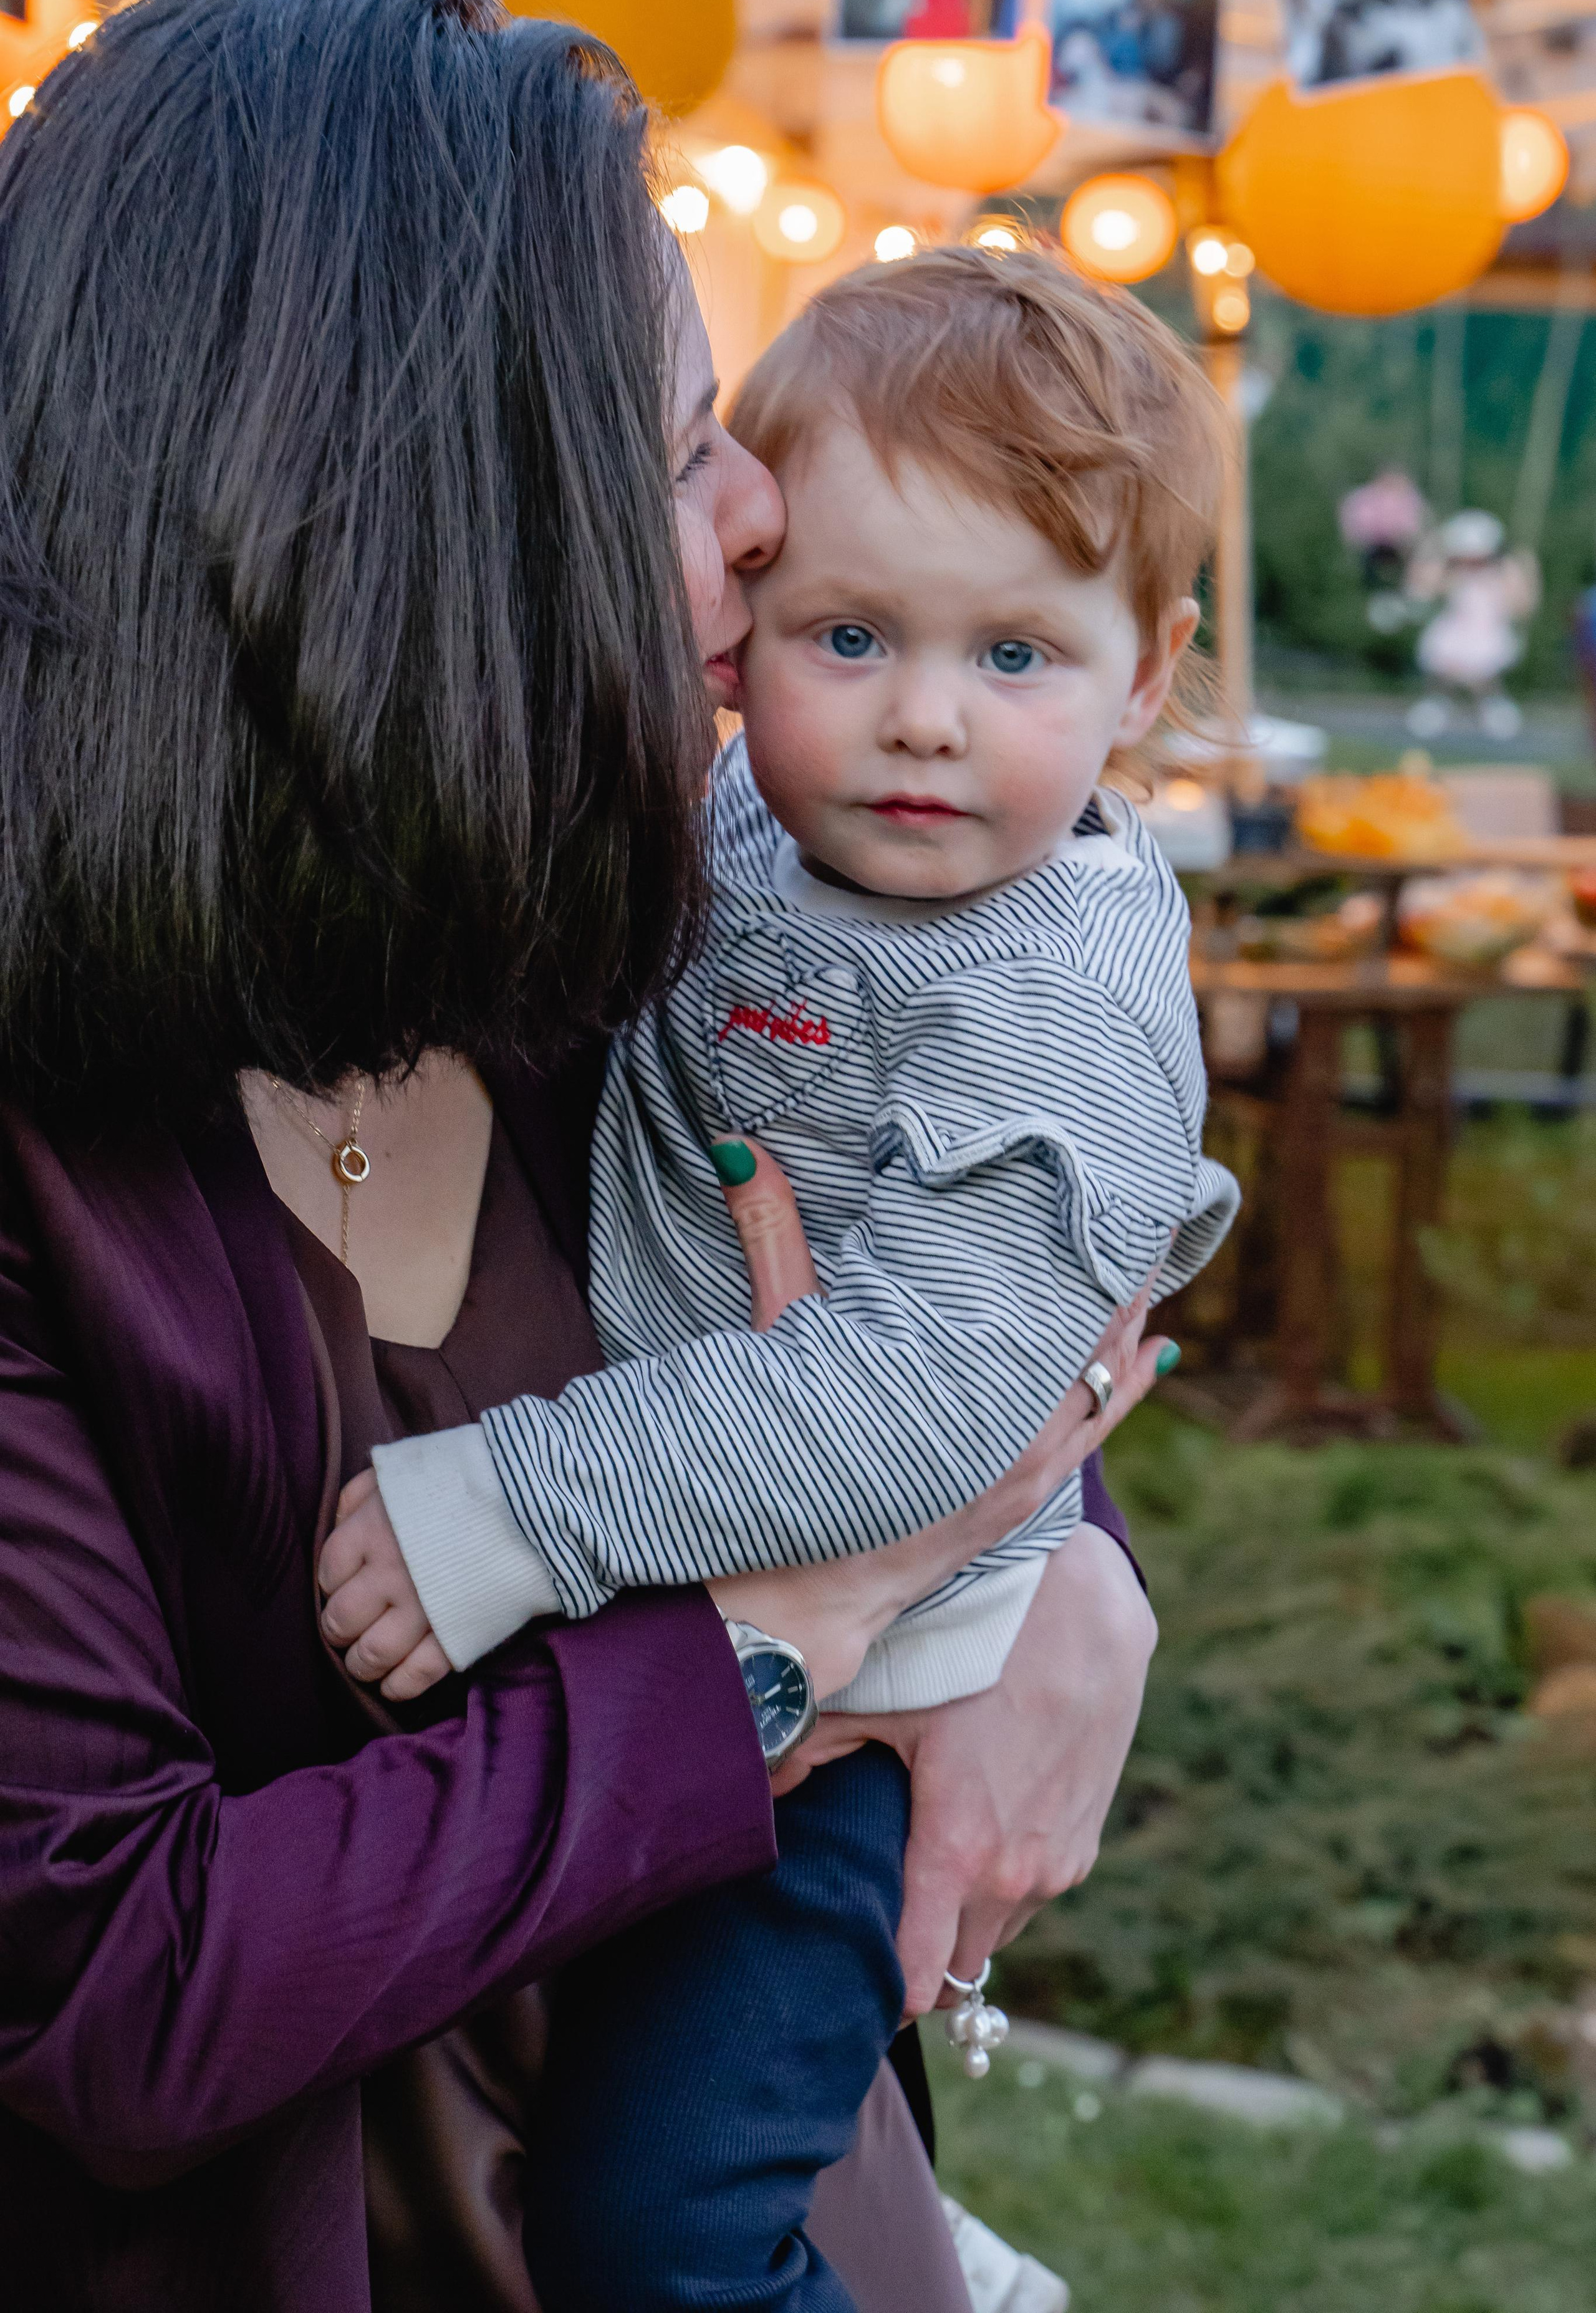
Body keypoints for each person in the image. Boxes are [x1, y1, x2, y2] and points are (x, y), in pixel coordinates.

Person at [0, 0, 1161, 2313]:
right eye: (679, 442)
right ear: (418, 533)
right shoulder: (50, 1185)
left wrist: (1081, 1579)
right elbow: (118, 1980)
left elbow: (957, 1278)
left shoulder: (583, 952)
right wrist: (774, 1644)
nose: (759, 515)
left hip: (767, 2225)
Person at [329, 250, 1231, 2311]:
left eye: (1017, 653)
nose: (923, 717)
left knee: (662, 2232)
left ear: (1146, 675)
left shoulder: (1052, 993)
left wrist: (514, 1504)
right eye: (851, 634)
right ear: (742, 644)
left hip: (874, 1697)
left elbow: (924, 1395)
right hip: (693, 1643)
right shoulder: (753, 817)